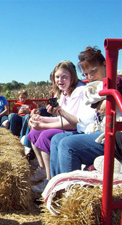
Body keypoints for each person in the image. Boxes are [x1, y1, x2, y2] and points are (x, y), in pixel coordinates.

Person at [50, 47, 109, 179]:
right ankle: (55, 183)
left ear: (105, 65)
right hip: (92, 129)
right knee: (56, 139)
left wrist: (109, 100)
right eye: (86, 74)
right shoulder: (93, 89)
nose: (90, 77)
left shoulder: (114, 82)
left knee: (67, 144)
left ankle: (68, 192)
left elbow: (78, 121)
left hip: (108, 134)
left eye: (93, 72)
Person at [26, 60, 85, 193]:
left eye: (64, 76)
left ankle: (49, 180)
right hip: (69, 124)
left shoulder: (79, 92)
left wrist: (43, 125)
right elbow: (60, 118)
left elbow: (71, 123)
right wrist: (40, 119)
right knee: (35, 132)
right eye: (57, 77)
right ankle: (42, 168)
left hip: (79, 128)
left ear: (72, 77)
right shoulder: (64, 92)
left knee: (46, 135)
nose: (60, 80)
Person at [8, 89, 37, 155]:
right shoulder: (16, 104)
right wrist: (18, 112)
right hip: (19, 117)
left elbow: (35, 112)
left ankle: (22, 137)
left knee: (27, 116)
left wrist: (28, 112)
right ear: (18, 97)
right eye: (21, 97)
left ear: (26, 97)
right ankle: (12, 136)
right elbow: (14, 113)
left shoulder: (31, 103)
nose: (23, 99)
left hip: (26, 117)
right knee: (12, 115)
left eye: (24, 97)